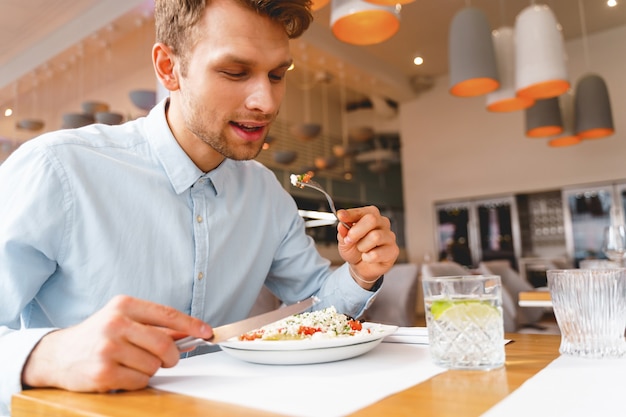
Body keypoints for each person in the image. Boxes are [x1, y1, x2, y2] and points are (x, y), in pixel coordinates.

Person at [0, 0, 399, 413]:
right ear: (168, 68)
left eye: (277, 74)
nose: (265, 101)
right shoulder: (59, 169)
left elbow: (318, 308)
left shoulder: (266, 194)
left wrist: (359, 273)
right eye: (234, 72)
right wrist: (48, 356)